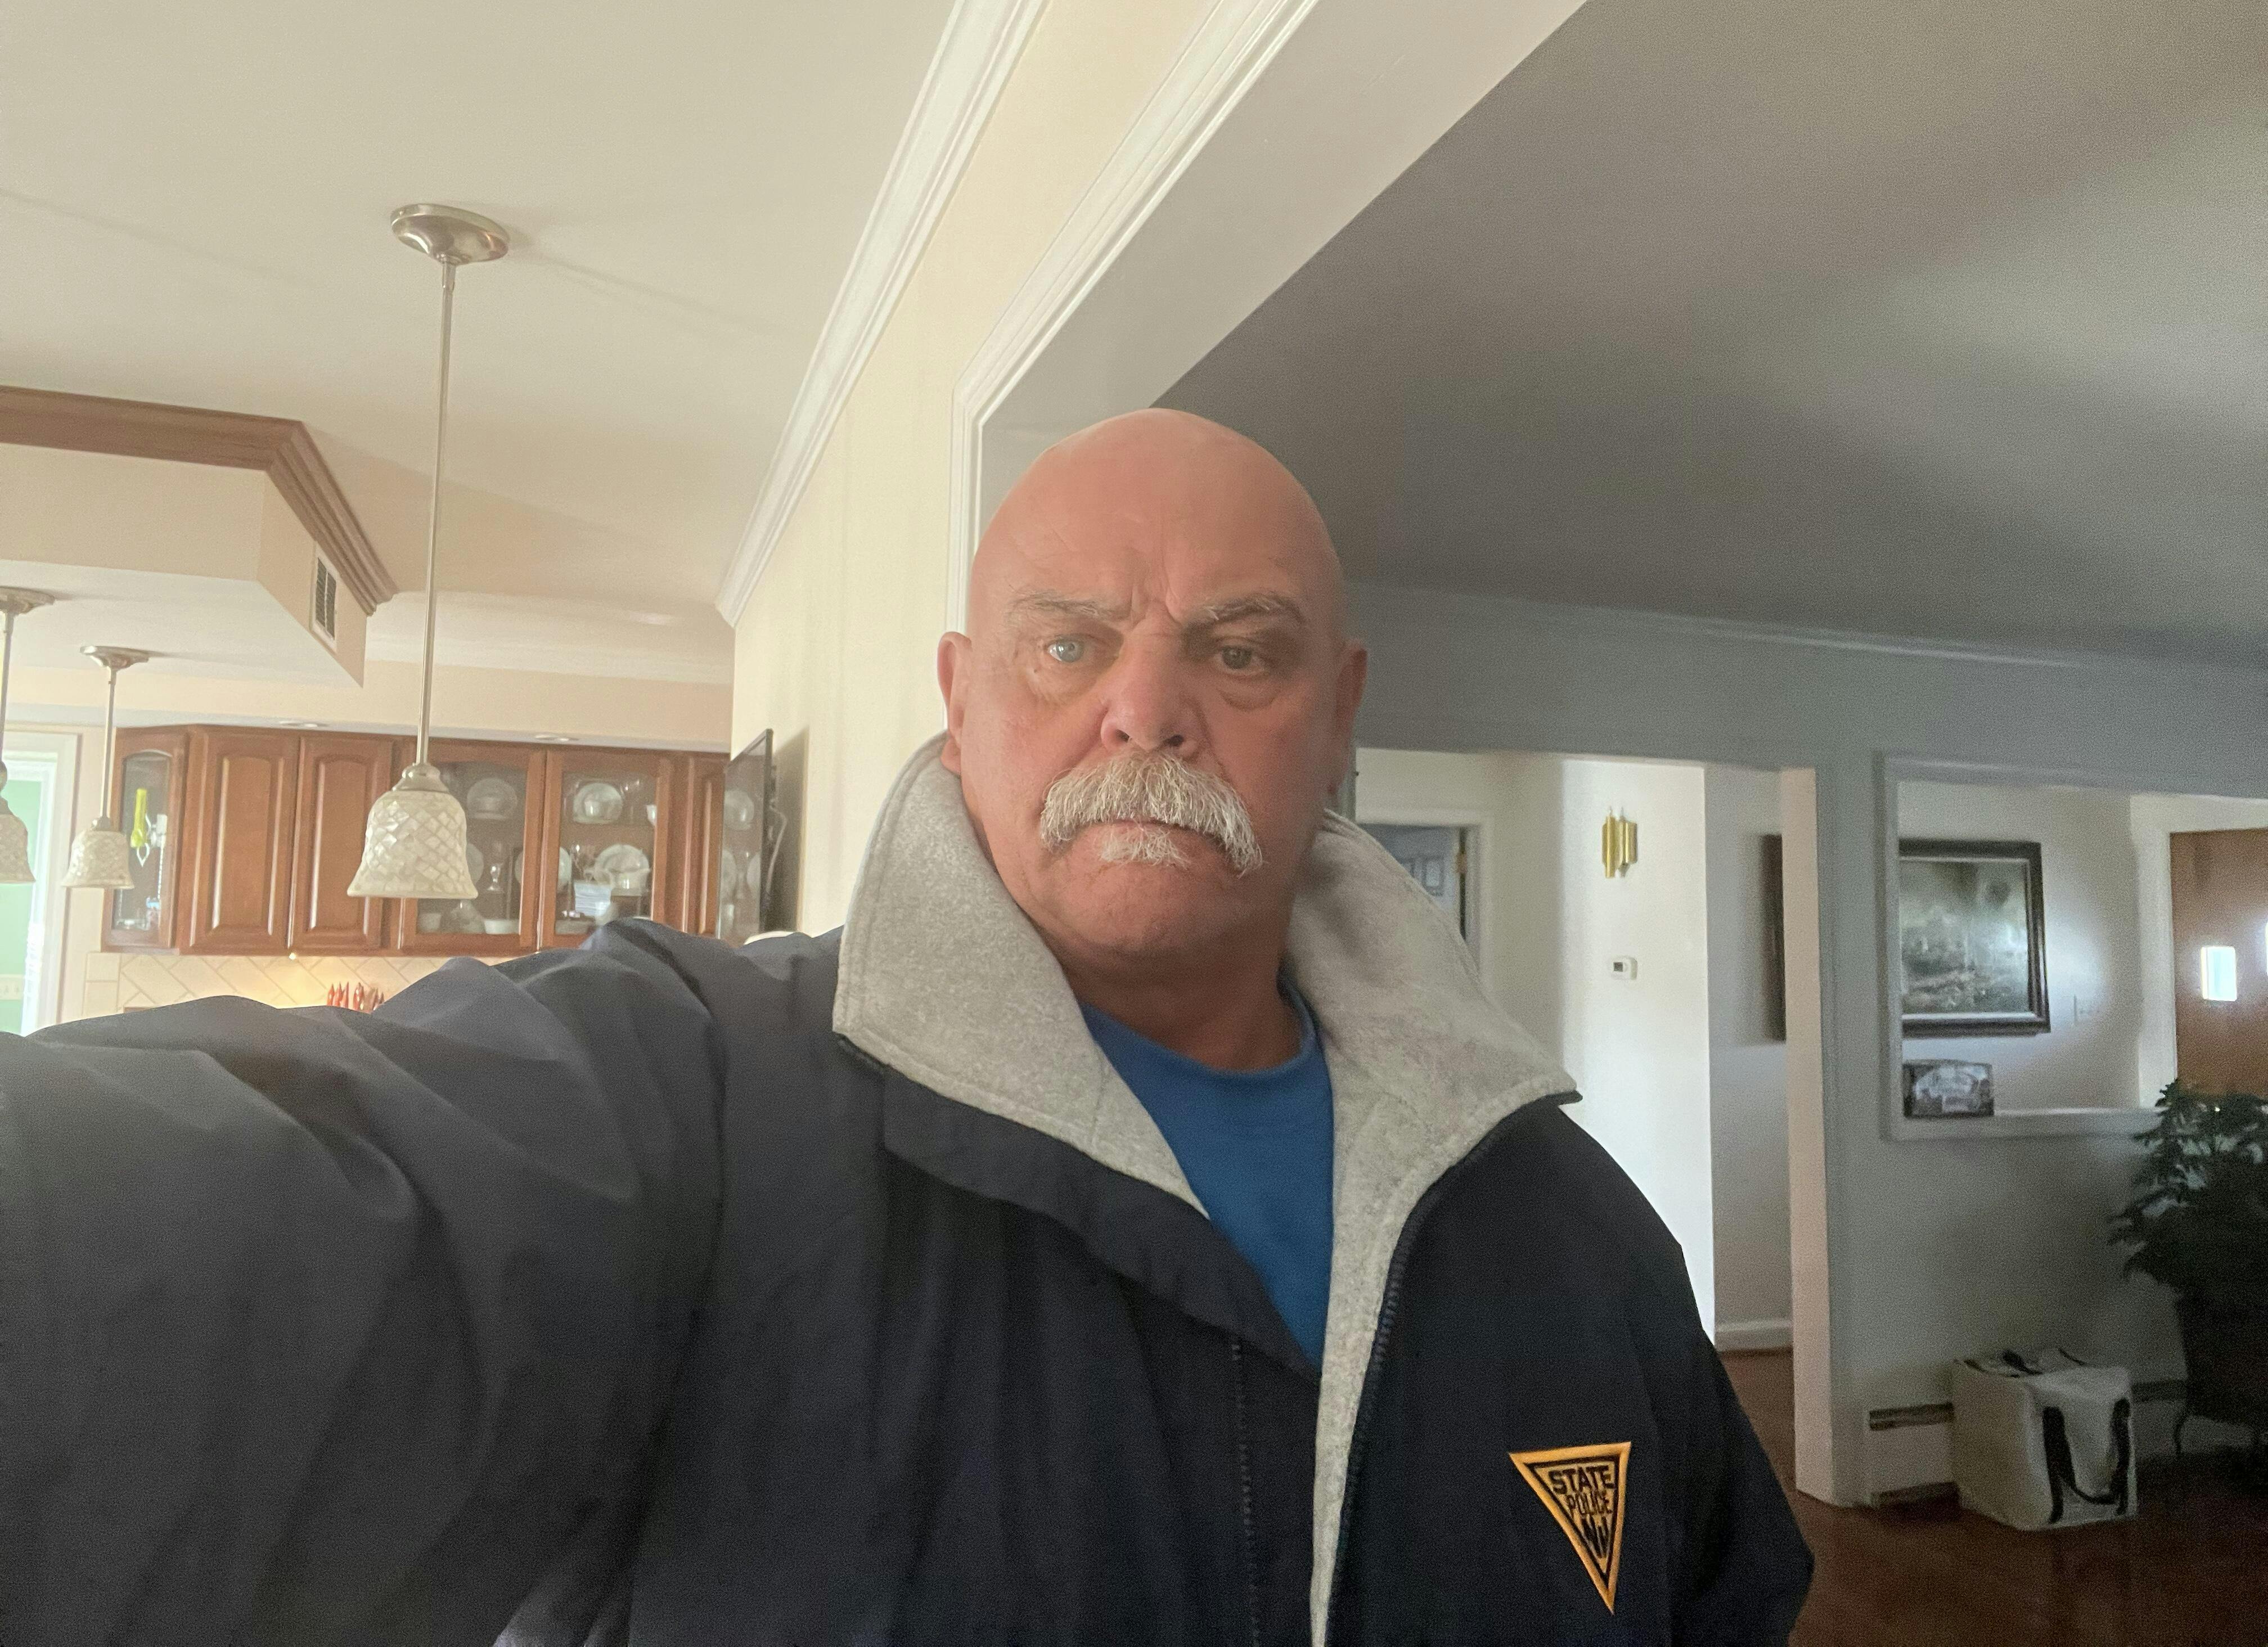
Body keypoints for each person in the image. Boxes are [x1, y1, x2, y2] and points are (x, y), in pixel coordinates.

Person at [0, 410, 1811, 1645]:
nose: (1147, 707)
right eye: (1068, 643)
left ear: (1335, 716)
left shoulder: (1574, 1230)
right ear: (962, 702)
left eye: (1241, 650)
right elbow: (234, 1246)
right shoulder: (691, 1097)